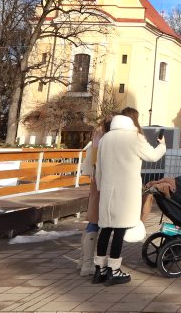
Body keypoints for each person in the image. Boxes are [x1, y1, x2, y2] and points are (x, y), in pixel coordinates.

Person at [92, 108, 165, 285]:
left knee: (105, 229)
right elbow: (153, 156)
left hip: (108, 190)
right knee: (119, 230)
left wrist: (101, 186)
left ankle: (99, 270)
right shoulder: (135, 137)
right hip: (126, 191)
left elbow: (99, 167)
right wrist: (162, 144)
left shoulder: (106, 138)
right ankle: (114, 270)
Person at [78, 117, 113, 276]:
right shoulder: (106, 142)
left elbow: (88, 166)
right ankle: (87, 264)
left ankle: (83, 259)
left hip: (95, 182)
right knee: (96, 222)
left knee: (92, 221)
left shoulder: (95, 140)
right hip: (104, 183)